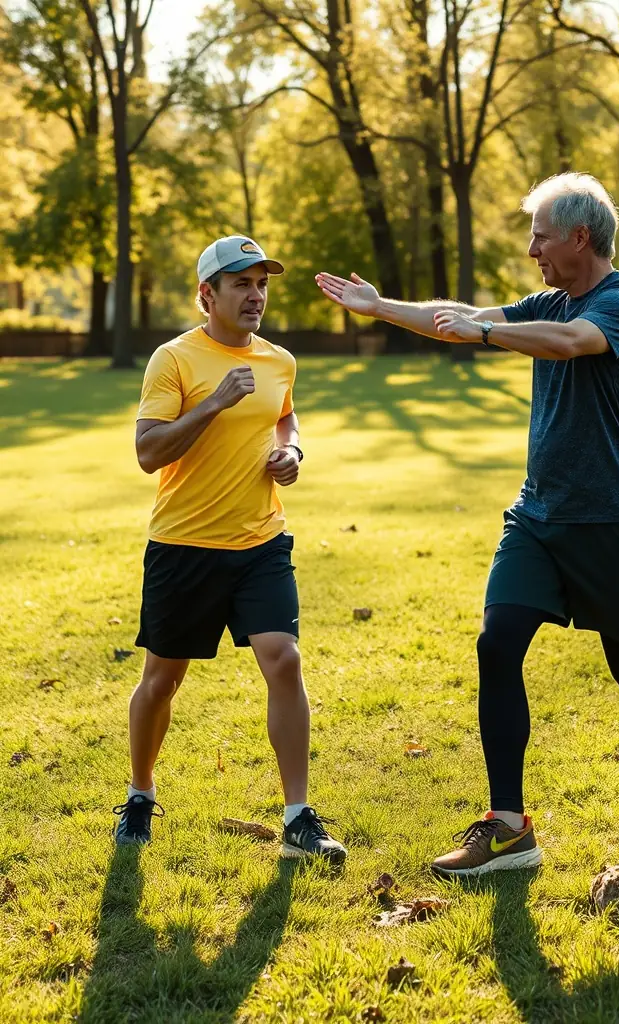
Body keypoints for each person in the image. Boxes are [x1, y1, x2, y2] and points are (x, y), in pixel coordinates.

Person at [316, 173, 619, 878]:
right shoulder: (548, 300)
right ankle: (508, 826)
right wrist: (381, 306)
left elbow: (569, 342)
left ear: (578, 237)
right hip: (537, 517)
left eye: (539, 234)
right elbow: (460, 311)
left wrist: (489, 331)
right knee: (498, 641)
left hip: (613, 523)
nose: (532, 247)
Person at [113, 234, 346, 865]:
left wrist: (291, 452)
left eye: (262, 283)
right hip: (184, 545)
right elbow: (148, 452)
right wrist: (215, 403)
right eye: (241, 283)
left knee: (284, 660)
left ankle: (297, 817)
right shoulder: (174, 360)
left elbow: (284, 416)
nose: (256, 295)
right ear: (207, 294)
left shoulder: (279, 361)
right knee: (162, 680)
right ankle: (139, 793)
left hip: (260, 539)